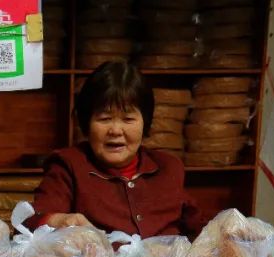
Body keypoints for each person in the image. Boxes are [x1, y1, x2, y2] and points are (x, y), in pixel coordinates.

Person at [27, 61, 202, 238]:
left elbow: (200, 230)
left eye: (128, 119)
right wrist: (58, 221)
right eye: (105, 118)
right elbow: (33, 221)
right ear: (86, 122)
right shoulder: (68, 165)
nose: (116, 130)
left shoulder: (169, 167)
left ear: (145, 122)